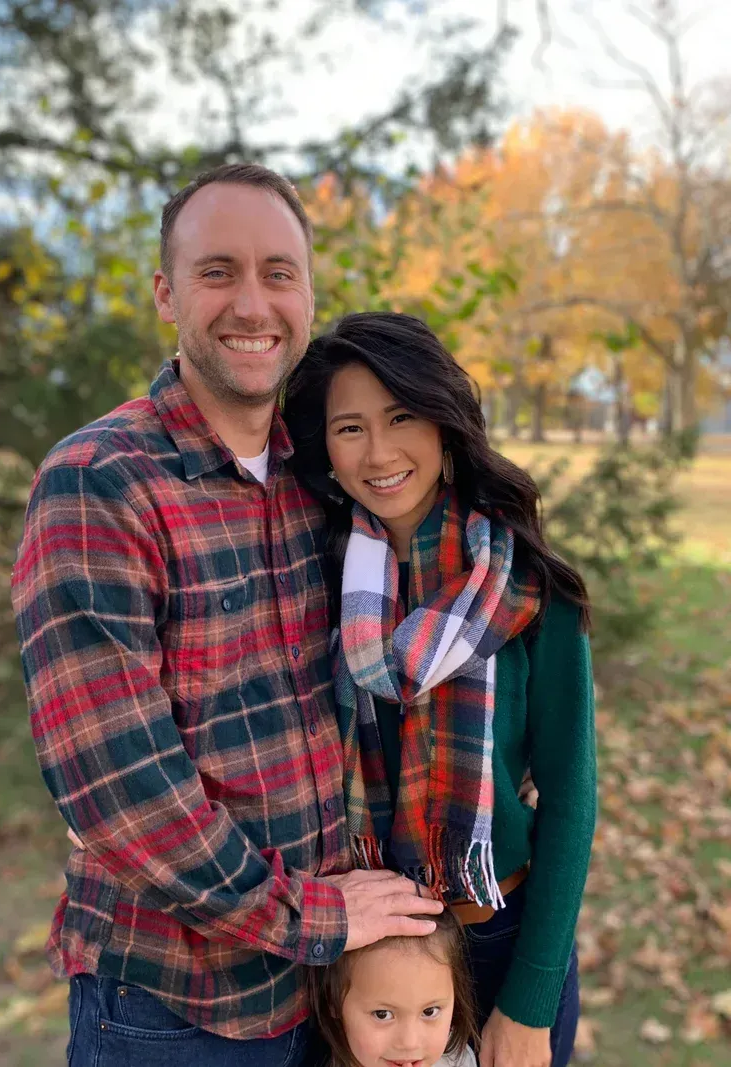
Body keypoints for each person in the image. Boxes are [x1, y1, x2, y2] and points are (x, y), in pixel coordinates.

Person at [10, 166, 441, 1067]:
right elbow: (121, 787)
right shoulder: (100, 482)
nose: (253, 303)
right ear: (166, 294)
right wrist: (314, 915)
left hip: (329, 989)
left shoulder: (319, 477)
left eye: (279, 273)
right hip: (177, 1008)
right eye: (218, 272)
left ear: (307, 297)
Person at [283, 312, 598, 1067]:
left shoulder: (526, 585)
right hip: (358, 953)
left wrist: (531, 999)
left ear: (443, 423)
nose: (379, 452)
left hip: (496, 941)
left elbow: (570, 797)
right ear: (325, 448)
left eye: (402, 417)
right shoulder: (311, 577)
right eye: (350, 428)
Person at [306, 908, 478, 1067]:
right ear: (334, 1001)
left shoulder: (458, 1062)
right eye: (382, 1014)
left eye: (429, 1011)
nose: (409, 1043)